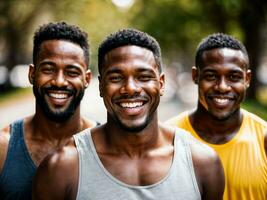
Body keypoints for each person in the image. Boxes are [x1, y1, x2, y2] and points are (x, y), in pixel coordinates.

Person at [33, 28, 224, 200]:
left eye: (143, 77)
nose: (130, 88)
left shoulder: (203, 163)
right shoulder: (62, 167)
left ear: (162, 83)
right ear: (100, 86)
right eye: (116, 78)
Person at [0, 22, 98, 199]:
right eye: (48, 69)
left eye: (72, 72)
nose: (59, 81)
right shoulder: (3, 147)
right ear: (32, 74)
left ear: (87, 79)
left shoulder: (108, 145)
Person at [166, 33, 267, 200]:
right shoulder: (168, 137)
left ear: (247, 79)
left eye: (233, 77)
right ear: (195, 76)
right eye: (211, 76)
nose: (222, 87)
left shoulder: (263, 139)